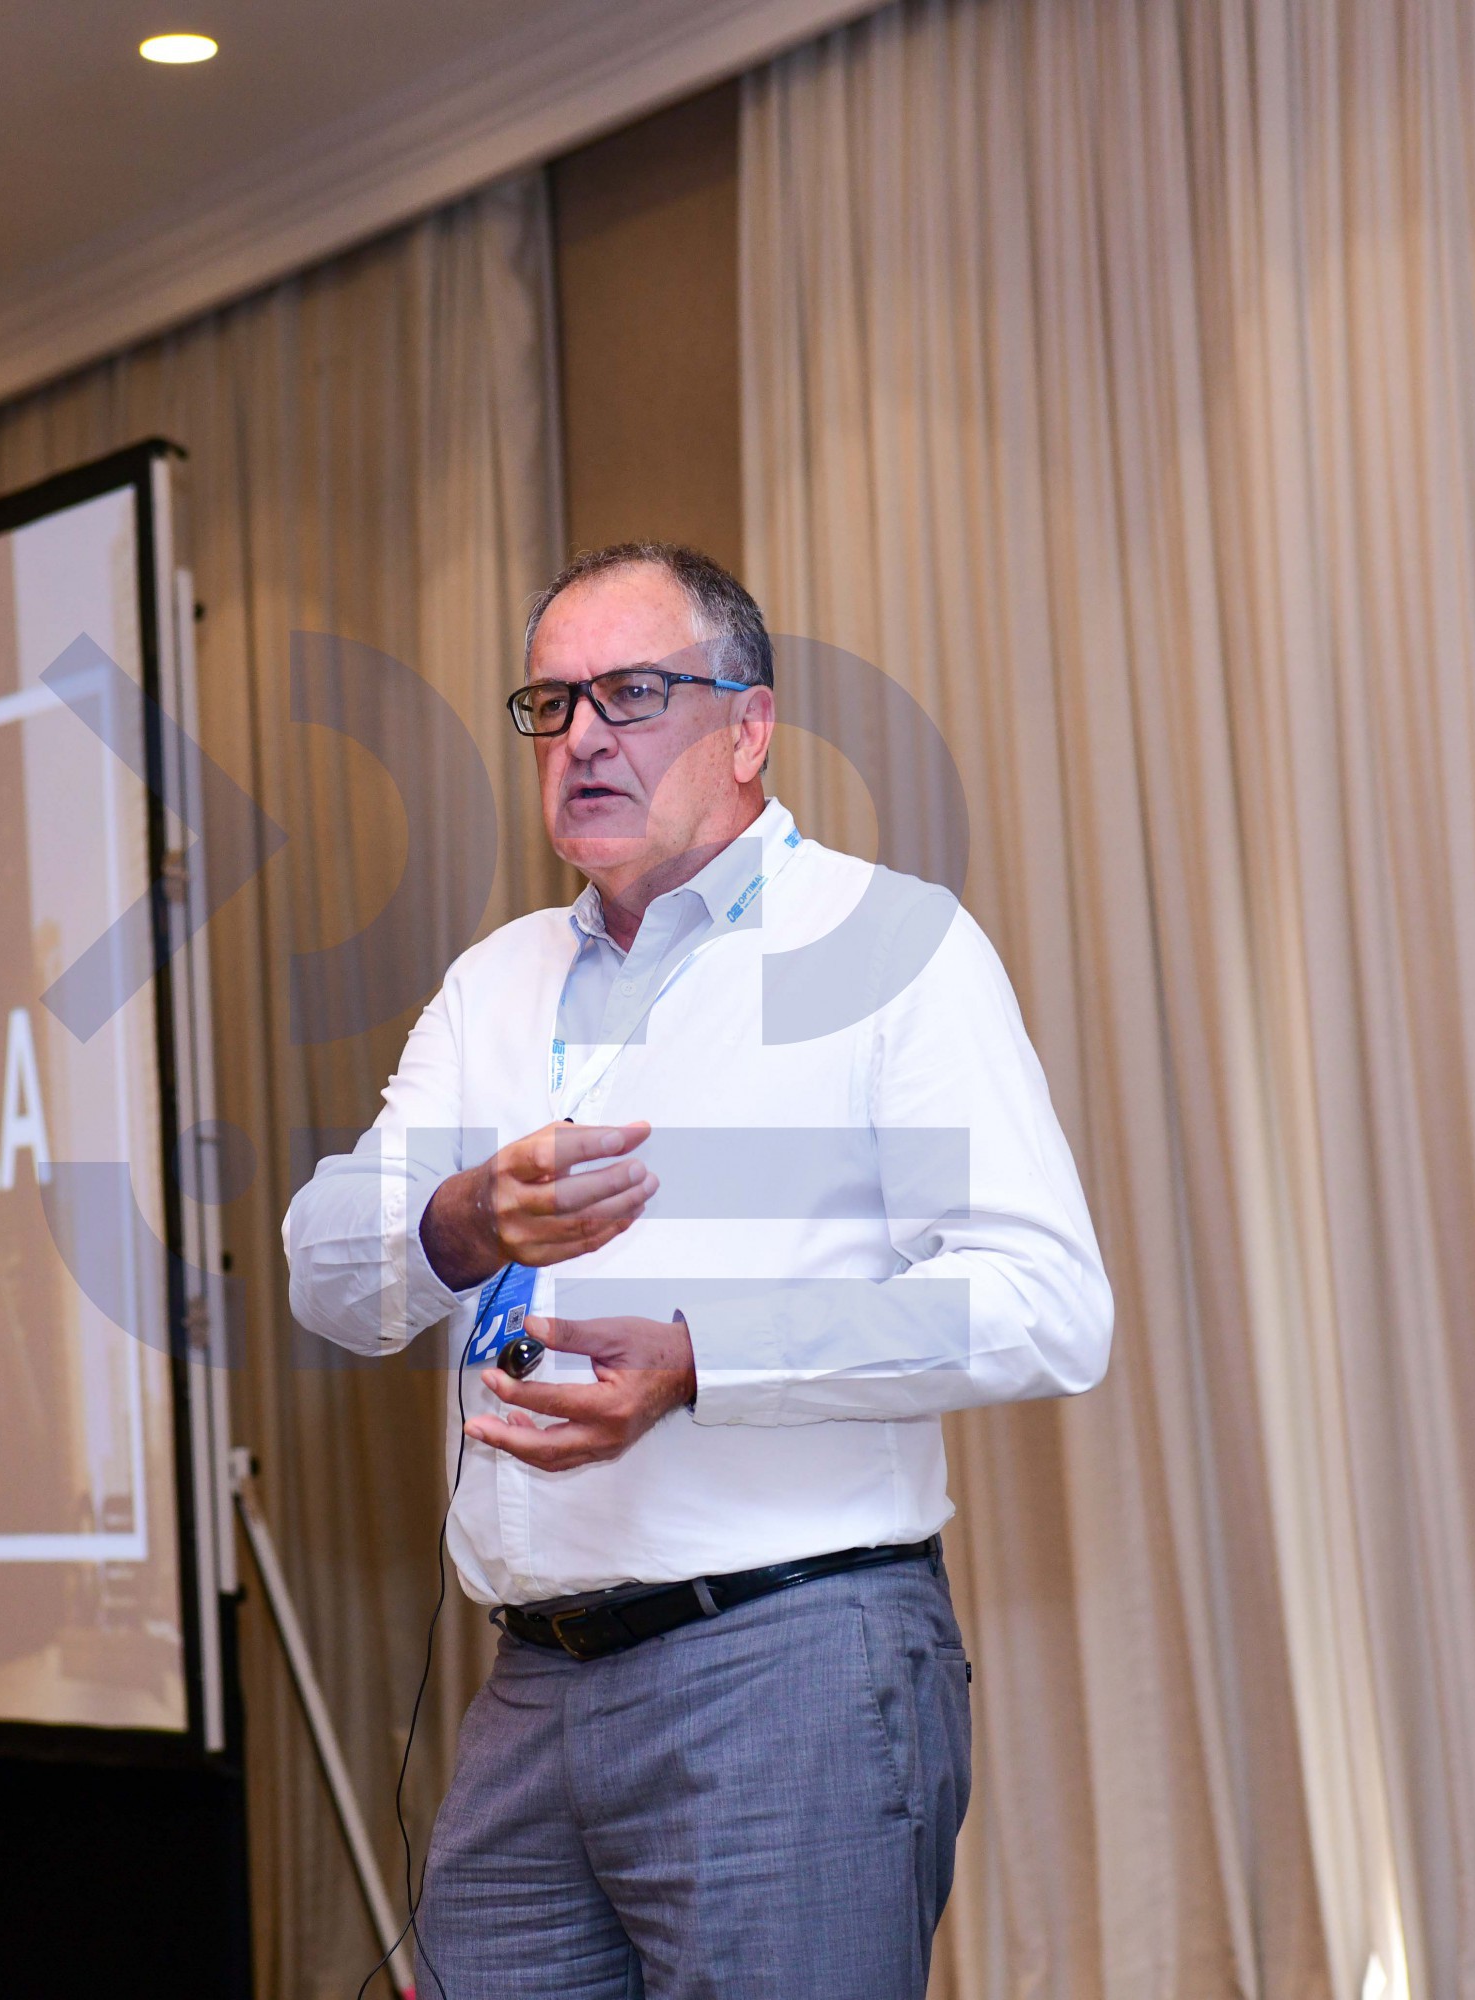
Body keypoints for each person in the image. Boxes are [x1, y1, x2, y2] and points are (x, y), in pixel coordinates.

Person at [282, 544, 1113, 1998]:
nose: (584, 735)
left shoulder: (889, 944)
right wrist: (465, 1217)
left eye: (633, 693)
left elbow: (1045, 1306)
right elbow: (326, 1274)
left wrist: (700, 1359)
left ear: (748, 727)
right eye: (552, 703)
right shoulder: (495, 981)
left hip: (786, 1663)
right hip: (530, 1689)